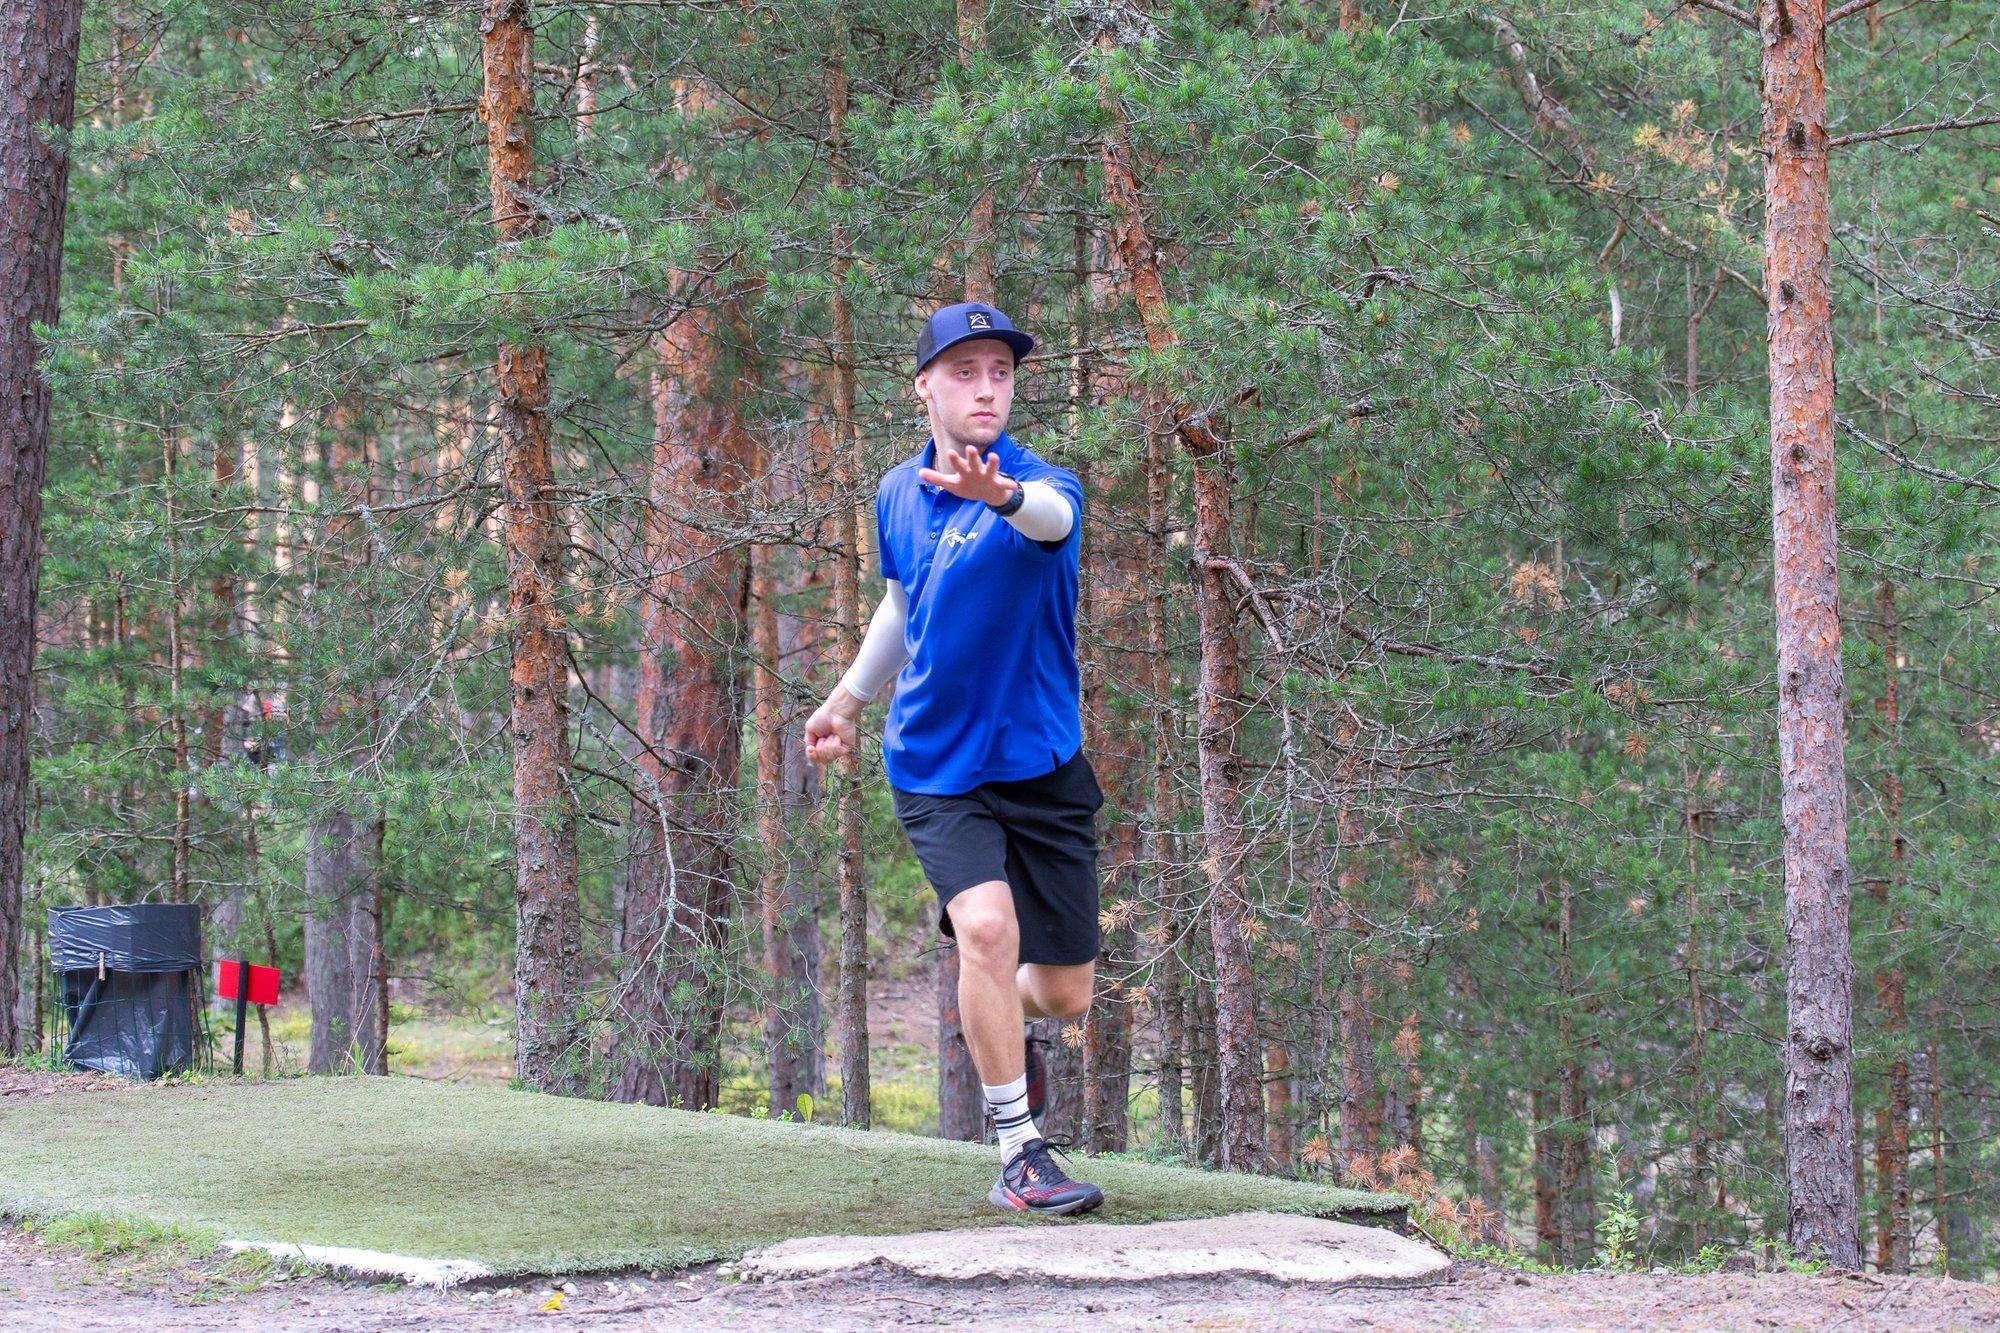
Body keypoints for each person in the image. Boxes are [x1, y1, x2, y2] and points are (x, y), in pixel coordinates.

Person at [805, 302, 1106, 1216]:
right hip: (934, 761)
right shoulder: (897, 490)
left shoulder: (1041, 483)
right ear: (925, 386)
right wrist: (847, 699)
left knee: (1059, 994)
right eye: (966, 371)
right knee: (982, 929)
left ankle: (1011, 1033)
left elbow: (1051, 524)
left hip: (1042, 764)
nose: (986, 389)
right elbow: (904, 602)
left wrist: (1001, 497)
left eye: (1001, 373)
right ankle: (1019, 1150)